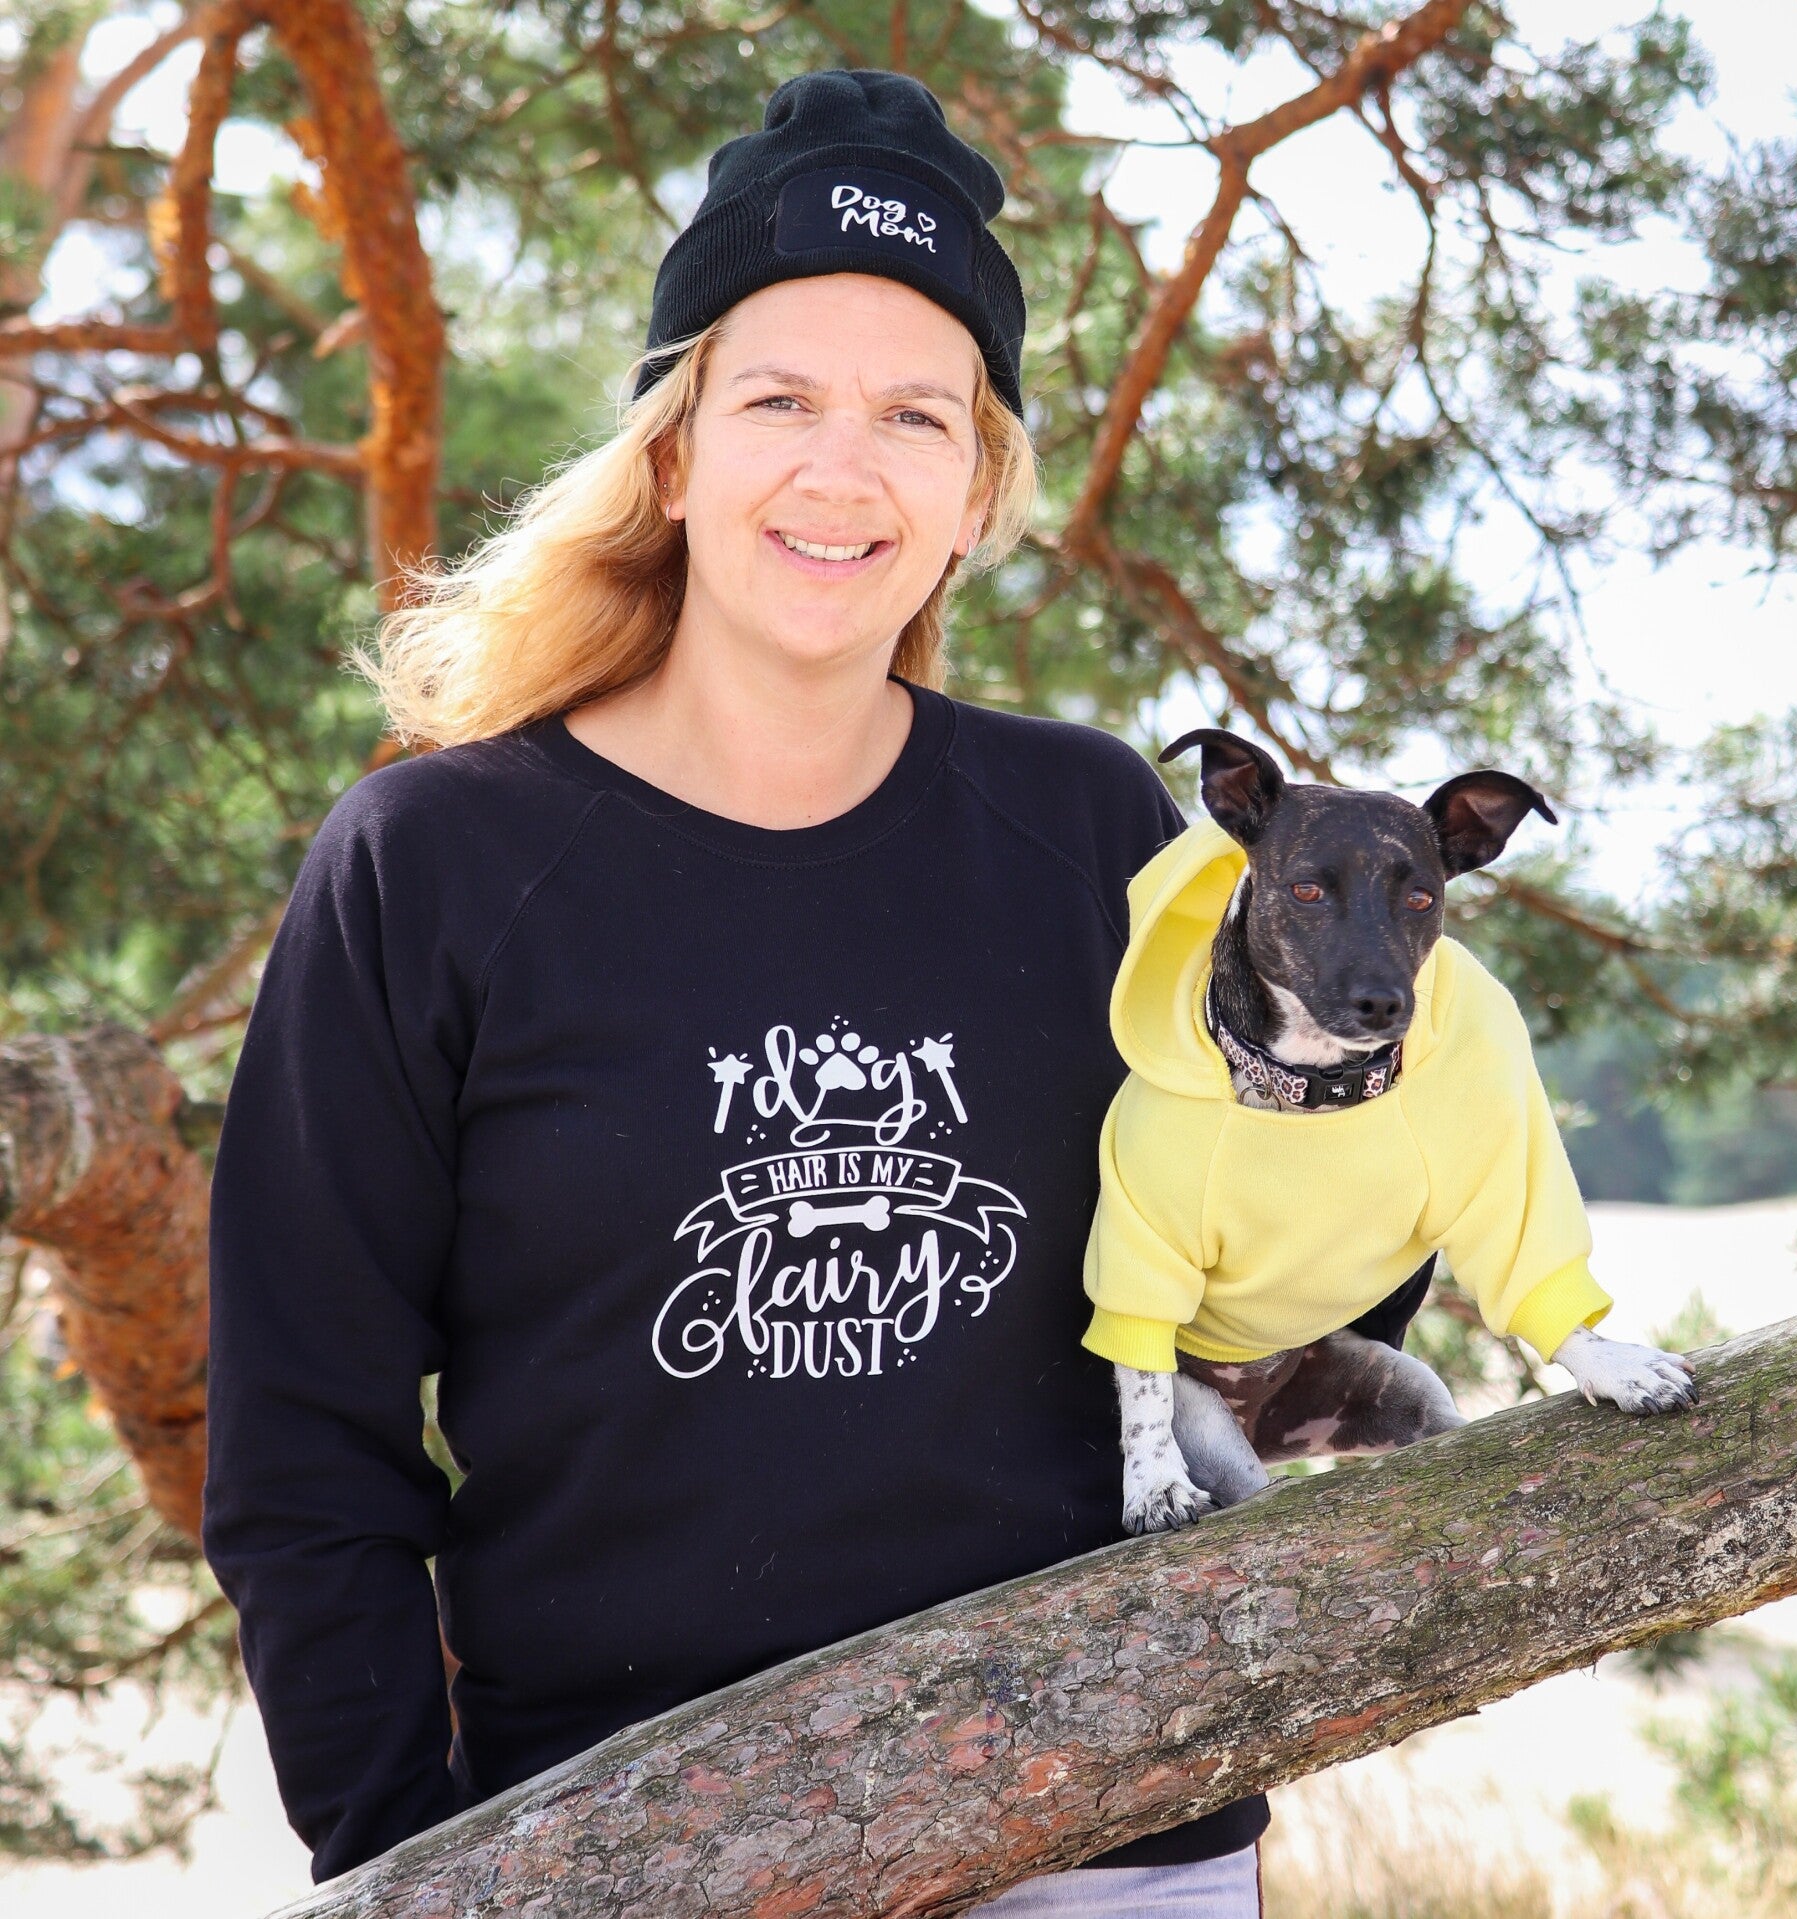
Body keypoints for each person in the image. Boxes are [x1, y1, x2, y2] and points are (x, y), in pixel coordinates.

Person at [201, 68, 1270, 1914]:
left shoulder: (1092, 829)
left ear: (977, 489)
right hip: (627, 1843)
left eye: (916, 416)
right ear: (675, 453)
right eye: (779, 399)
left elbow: (1269, 1275)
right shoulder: (434, 865)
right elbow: (305, 1436)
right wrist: (404, 1864)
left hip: (1106, 1827)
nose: (841, 470)